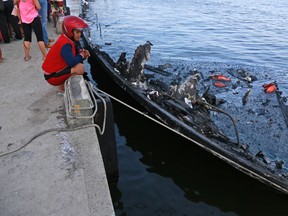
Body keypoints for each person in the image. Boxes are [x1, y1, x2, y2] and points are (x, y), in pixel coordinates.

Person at [42, 15, 90, 91]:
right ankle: (64, 87)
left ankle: (63, 85)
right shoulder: (65, 44)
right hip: (52, 76)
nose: (79, 35)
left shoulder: (66, 37)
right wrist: (82, 55)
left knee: (78, 63)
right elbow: (72, 63)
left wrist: (81, 52)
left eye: (80, 32)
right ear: (70, 31)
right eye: (77, 32)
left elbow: (77, 48)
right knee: (80, 68)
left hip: (54, 72)